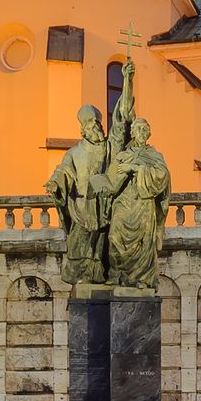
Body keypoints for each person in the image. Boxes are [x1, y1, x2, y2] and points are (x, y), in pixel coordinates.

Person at [45, 105, 110, 286]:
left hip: (102, 207)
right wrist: (54, 183)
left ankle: (96, 276)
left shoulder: (108, 149)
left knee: (100, 246)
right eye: (90, 127)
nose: (95, 130)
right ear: (84, 131)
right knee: (78, 244)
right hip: (80, 207)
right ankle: (81, 278)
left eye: (97, 126)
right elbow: (63, 171)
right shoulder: (74, 153)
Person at [105, 115, 171, 289]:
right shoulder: (122, 155)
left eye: (144, 129)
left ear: (149, 133)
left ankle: (141, 278)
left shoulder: (154, 155)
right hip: (124, 201)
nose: (141, 132)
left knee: (144, 241)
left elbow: (163, 176)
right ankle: (116, 274)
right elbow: (110, 179)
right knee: (114, 236)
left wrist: (136, 168)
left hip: (144, 202)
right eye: (138, 129)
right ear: (132, 133)